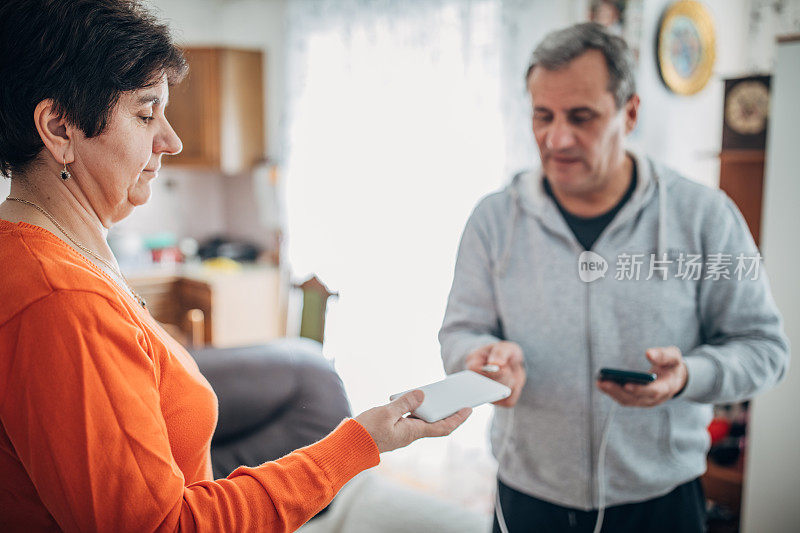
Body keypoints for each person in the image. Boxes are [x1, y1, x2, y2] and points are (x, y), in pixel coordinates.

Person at [0, 1, 470, 531]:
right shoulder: (61, 299)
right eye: (145, 113)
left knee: (309, 378)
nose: (171, 141)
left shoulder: (51, 251)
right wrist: (358, 444)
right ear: (60, 127)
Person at [439, 22, 789, 533]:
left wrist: (688, 376)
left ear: (629, 113)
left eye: (581, 117)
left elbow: (765, 349)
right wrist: (481, 363)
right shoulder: (493, 220)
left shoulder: (704, 216)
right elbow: (460, 332)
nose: (556, 138)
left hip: (662, 502)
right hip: (527, 497)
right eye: (543, 116)